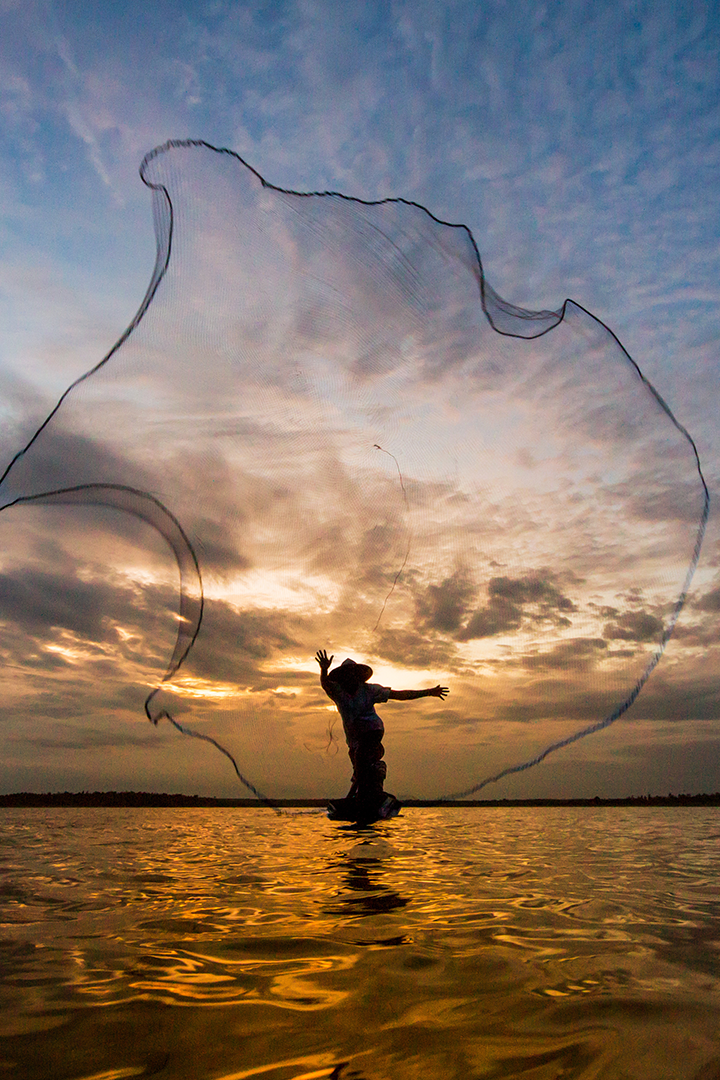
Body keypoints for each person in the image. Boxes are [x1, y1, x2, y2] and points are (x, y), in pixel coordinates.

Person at [315, 649, 449, 821]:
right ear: (342, 678)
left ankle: (370, 797)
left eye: (353, 675)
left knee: (362, 760)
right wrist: (324, 670)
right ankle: (363, 796)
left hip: (372, 731)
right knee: (360, 771)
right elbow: (325, 684)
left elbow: (399, 695)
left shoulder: (369, 690)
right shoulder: (338, 692)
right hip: (354, 740)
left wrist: (428, 692)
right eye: (347, 675)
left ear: (358, 676)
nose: (350, 678)